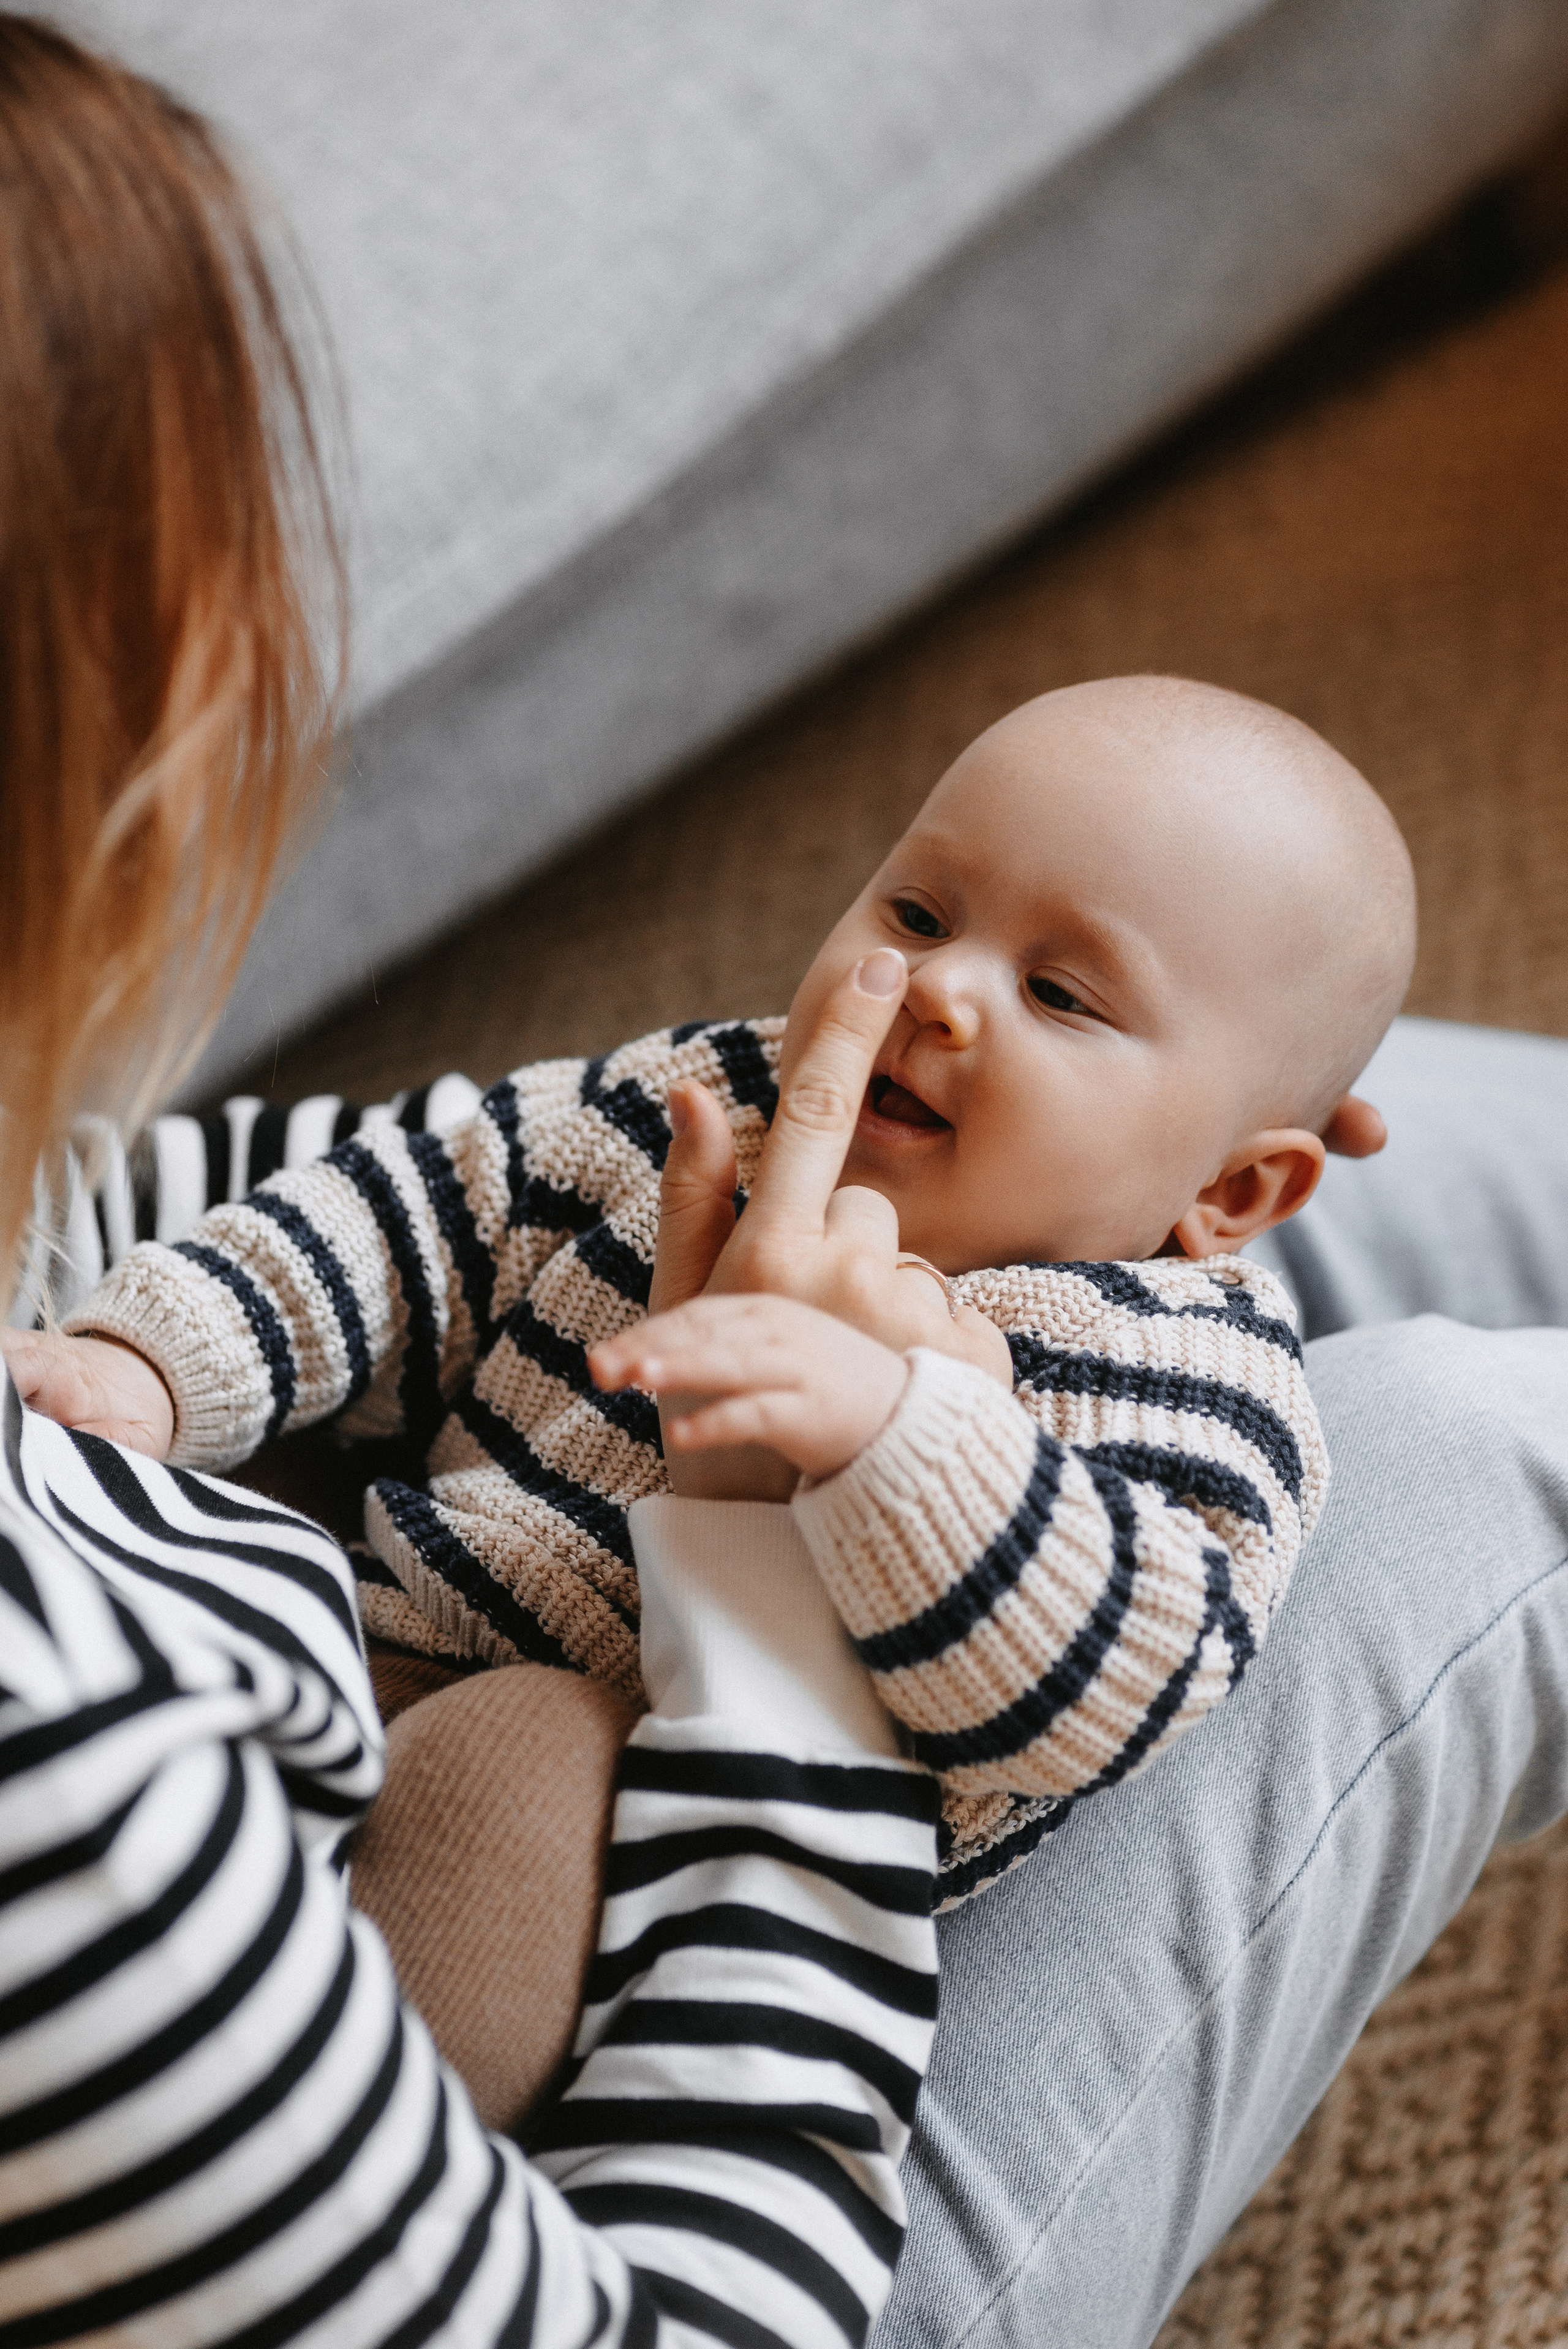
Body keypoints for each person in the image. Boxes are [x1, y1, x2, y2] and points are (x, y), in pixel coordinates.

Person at [0, 18, 941, 2345]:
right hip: (591, 2150)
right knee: (1464, 1464)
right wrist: (779, 1563)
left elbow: (104, 1201)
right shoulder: (64, 1791)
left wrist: (577, 1160)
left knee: (1138, 1137)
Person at [24, 676, 1411, 1900]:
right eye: (919, 912)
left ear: (1229, 1196)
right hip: (363, 1622)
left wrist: (900, 1435)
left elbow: (1113, 1683)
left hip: (661, 1861)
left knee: (531, 1772)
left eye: (1062, 996)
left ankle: (328, 2092)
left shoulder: (1190, 1374)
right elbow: (416, 1211)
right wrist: (157, 1363)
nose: (938, 990)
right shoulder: (705, 1102)